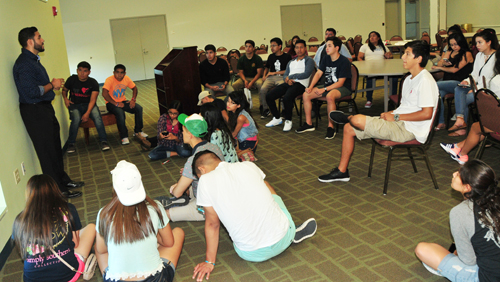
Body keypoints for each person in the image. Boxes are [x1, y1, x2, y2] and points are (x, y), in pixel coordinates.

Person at [322, 40, 438, 182]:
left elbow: (427, 114)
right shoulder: (409, 79)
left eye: (407, 54)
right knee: (348, 128)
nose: (402, 57)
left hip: (409, 130)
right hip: (400, 122)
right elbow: (407, 107)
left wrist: (396, 117)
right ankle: (342, 171)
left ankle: (349, 117)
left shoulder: (425, 80)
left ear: (419, 58)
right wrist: (391, 113)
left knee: (356, 120)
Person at [191, 151, 317, 281]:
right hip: (284, 237)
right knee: (265, 184)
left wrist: (209, 261)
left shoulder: (205, 181)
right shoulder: (248, 165)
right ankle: (291, 230)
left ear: (202, 169)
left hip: (251, 254)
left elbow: (213, 224)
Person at [13, 26, 83, 198]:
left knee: (54, 148)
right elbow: (31, 92)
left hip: (43, 109)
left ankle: (63, 181)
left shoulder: (33, 60)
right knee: (46, 152)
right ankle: (57, 191)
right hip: (34, 111)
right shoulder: (24, 64)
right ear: (30, 41)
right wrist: (52, 84)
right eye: (39, 37)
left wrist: (53, 85)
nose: (42, 39)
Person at [95, 161, 184, 282]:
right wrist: (152, 234)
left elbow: (101, 250)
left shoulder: (103, 213)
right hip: (155, 279)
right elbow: (168, 242)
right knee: (178, 232)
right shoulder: (155, 207)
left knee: (97, 248)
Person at [415, 159, 500, 281]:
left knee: (423, 249)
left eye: (459, 174)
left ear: (467, 187)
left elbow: (469, 261)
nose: (454, 174)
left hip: (487, 277)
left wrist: (456, 253)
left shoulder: (460, 212)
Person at [12, 174, 96, 282]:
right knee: (91, 227)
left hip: (31, 279)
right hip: (68, 274)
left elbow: (23, 251)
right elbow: (76, 243)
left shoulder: (19, 220)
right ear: (54, 191)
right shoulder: (68, 209)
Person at [156, 113, 224, 222]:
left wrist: (175, 188)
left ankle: (181, 201)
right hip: (219, 195)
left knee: (166, 214)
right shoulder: (214, 147)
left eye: (183, 131)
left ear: (190, 135)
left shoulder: (193, 160)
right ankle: (185, 198)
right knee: (185, 181)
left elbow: (177, 192)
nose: (181, 133)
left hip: (209, 208)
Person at [439, 52, 500, 164]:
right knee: (482, 126)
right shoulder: (479, 56)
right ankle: (456, 146)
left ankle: (461, 154)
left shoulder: (497, 80)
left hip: (496, 123)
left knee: (478, 126)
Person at [297, 37, 352, 139]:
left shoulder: (344, 61)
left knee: (330, 96)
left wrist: (325, 89)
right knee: (306, 94)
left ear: (337, 48)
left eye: (329, 46)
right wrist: (310, 87)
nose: (326, 48)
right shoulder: (326, 58)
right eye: (326, 46)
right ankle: (309, 123)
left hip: (343, 88)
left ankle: (331, 127)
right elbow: (318, 73)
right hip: (328, 85)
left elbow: (340, 83)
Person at [448, 29, 498, 137]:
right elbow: (475, 73)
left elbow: (491, 81)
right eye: (476, 43)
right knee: (459, 89)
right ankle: (460, 119)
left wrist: (475, 89)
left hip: (487, 90)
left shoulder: (496, 57)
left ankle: (461, 126)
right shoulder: (479, 56)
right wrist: (467, 80)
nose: (477, 46)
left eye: (480, 42)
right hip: (476, 85)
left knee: (463, 99)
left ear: (489, 42)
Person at [265, 39, 315, 131]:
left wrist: (291, 76)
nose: (299, 49)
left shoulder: (309, 60)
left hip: (301, 84)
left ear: (305, 49)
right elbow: (285, 75)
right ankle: (277, 118)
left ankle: (288, 120)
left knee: (287, 98)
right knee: (269, 95)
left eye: (301, 47)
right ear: (294, 49)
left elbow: (306, 74)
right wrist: (287, 80)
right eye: (297, 48)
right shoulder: (291, 62)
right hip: (289, 83)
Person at [62, 61, 110, 153]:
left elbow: (93, 100)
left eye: (85, 71)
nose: (82, 73)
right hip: (74, 105)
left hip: (89, 104)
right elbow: (64, 90)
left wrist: (87, 113)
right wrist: (65, 99)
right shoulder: (71, 80)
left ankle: (104, 141)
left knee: (97, 117)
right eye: (80, 70)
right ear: (77, 70)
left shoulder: (93, 82)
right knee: (76, 119)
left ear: (89, 72)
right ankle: (71, 144)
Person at [432, 32, 474, 130]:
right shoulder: (450, 52)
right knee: (437, 94)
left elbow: (455, 69)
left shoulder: (467, 54)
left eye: (456, 44)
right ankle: (441, 122)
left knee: (434, 85)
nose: (454, 47)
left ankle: (462, 123)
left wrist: (441, 68)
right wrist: (443, 63)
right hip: (447, 82)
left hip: (459, 82)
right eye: (451, 45)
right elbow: (441, 61)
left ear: (461, 42)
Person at [102, 64, 148, 145]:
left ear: (125, 73)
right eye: (117, 72)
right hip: (111, 103)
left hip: (123, 101)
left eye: (122, 73)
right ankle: (124, 136)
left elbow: (134, 88)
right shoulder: (109, 80)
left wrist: (133, 99)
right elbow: (104, 94)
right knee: (120, 113)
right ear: (114, 72)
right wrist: (116, 103)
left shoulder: (126, 78)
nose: (119, 75)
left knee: (138, 108)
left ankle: (138, 131)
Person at [358, 31, 399, 109]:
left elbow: (391, 56)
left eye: (374, 36)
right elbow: (359, 57)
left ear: (378, 38)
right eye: (370, 36)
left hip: (383, 68)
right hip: (370, 68)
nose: (372, 38)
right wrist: (363, 65)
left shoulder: (383, 46)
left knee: (394, 78)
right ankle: (369, 100)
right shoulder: (365, 46)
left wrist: (388, 56)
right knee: (370, 80)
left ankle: (392, 98)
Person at [259, 37, 292, 118]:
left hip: (282, 77)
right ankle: (266, 109)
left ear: (280, 46)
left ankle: (284, 110)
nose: (271, 48)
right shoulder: (271, 56)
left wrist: (275, 72)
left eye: (274, 46)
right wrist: (264, 76)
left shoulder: (287, 57)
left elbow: (288, 70)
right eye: (271, 46)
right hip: (271, 77)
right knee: (262, 89)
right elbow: (266, 67)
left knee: (282, 89)